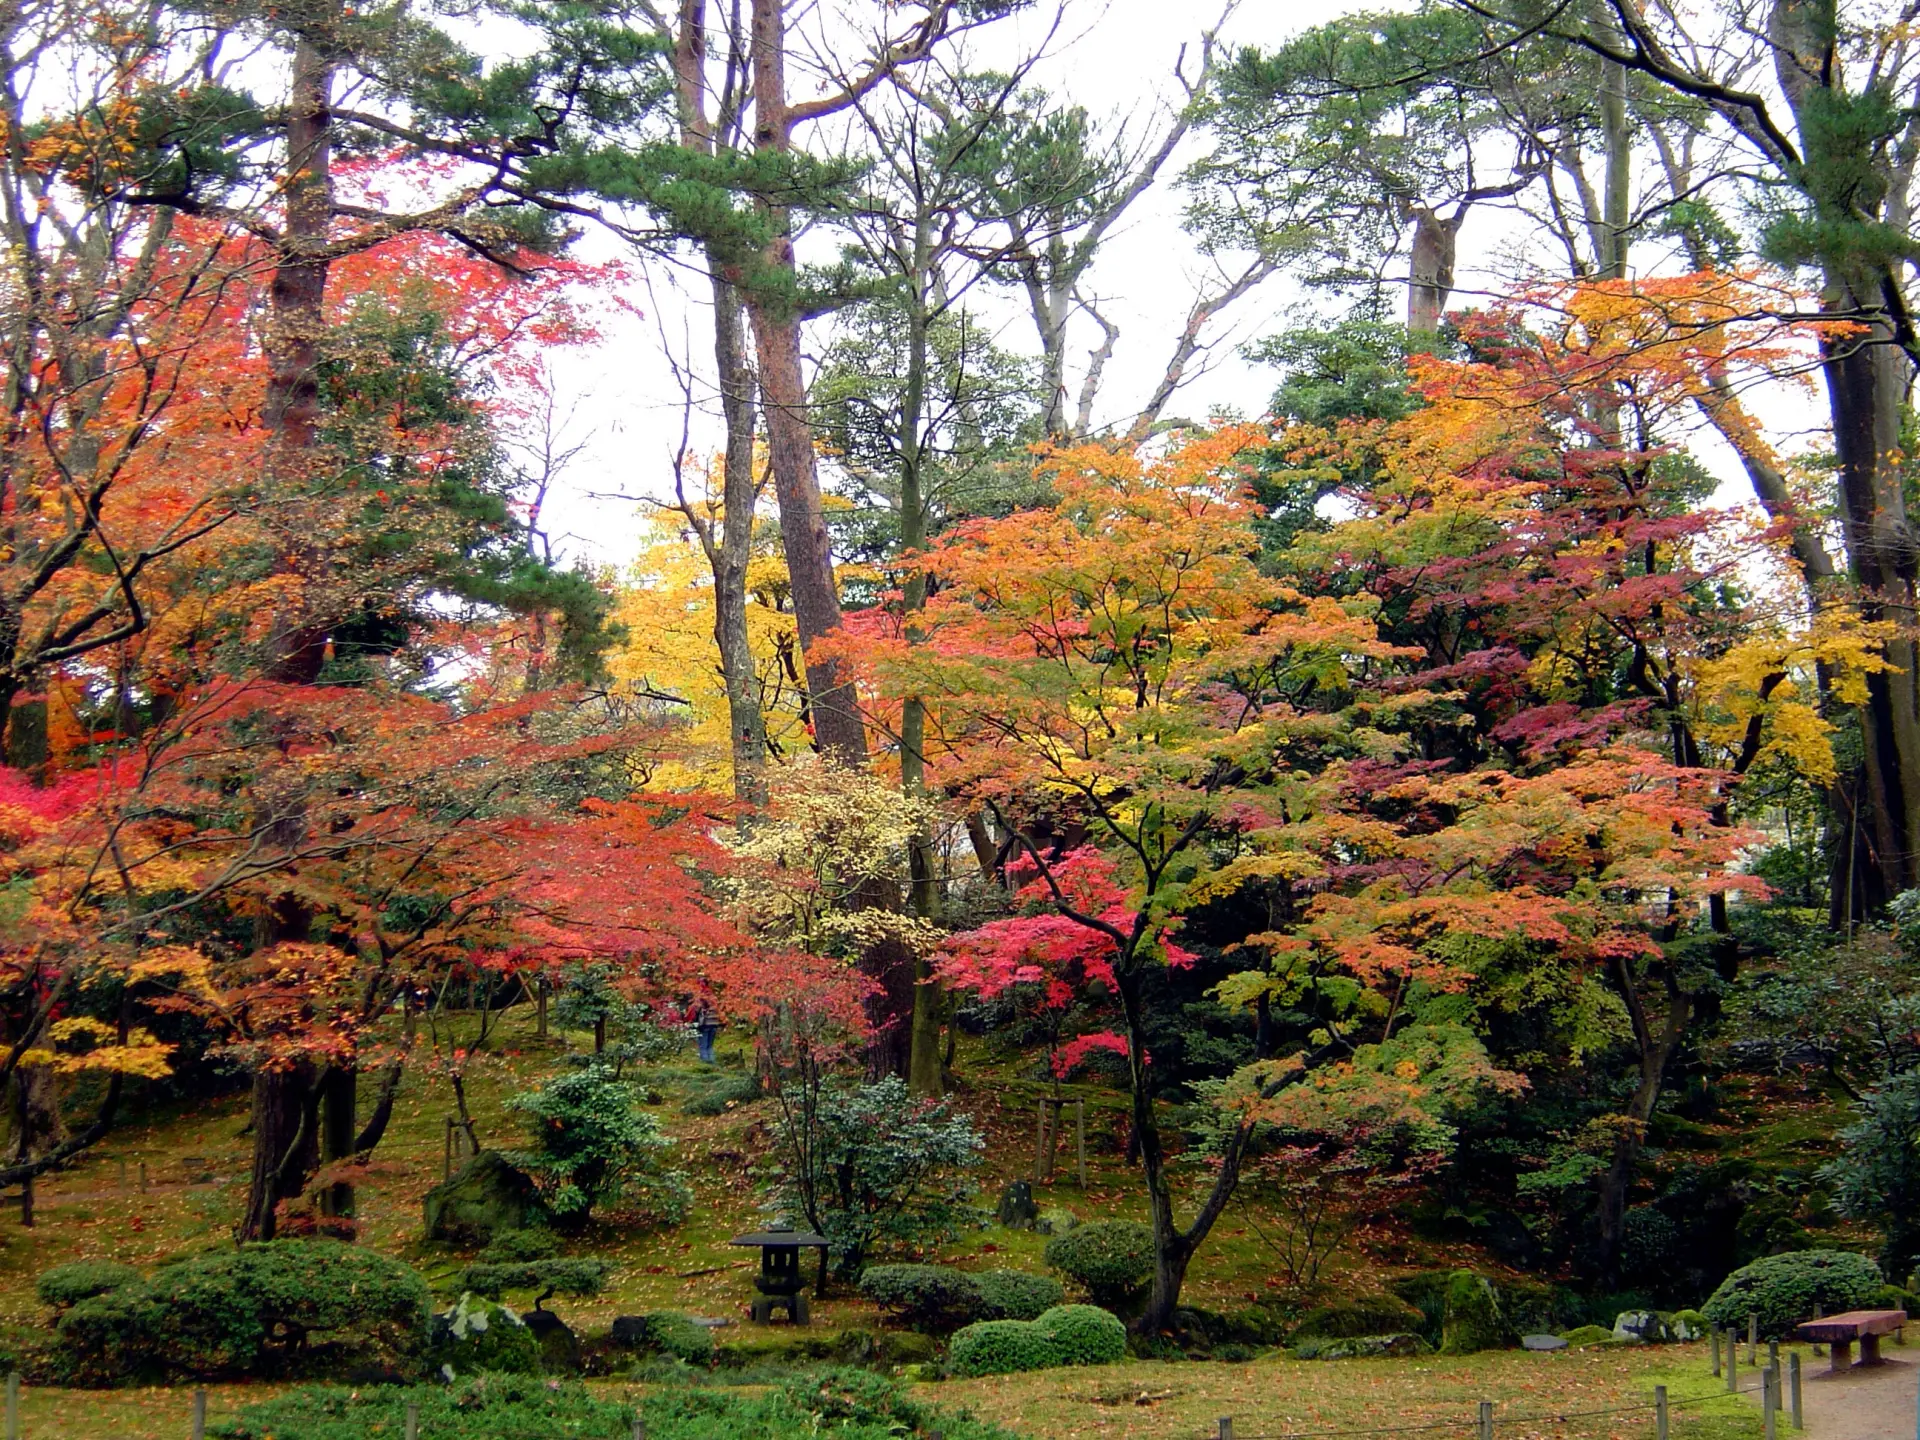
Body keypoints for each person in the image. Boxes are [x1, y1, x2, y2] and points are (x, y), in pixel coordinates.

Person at [693, 999, 721, 1064]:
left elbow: (699, 1017)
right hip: (714, 1027)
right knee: (710, 1046)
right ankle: (712, 1063)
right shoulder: (715, 1007)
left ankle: (705, 1063)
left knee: (703, 1046)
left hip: (704, 1027)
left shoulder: (703, 1007)